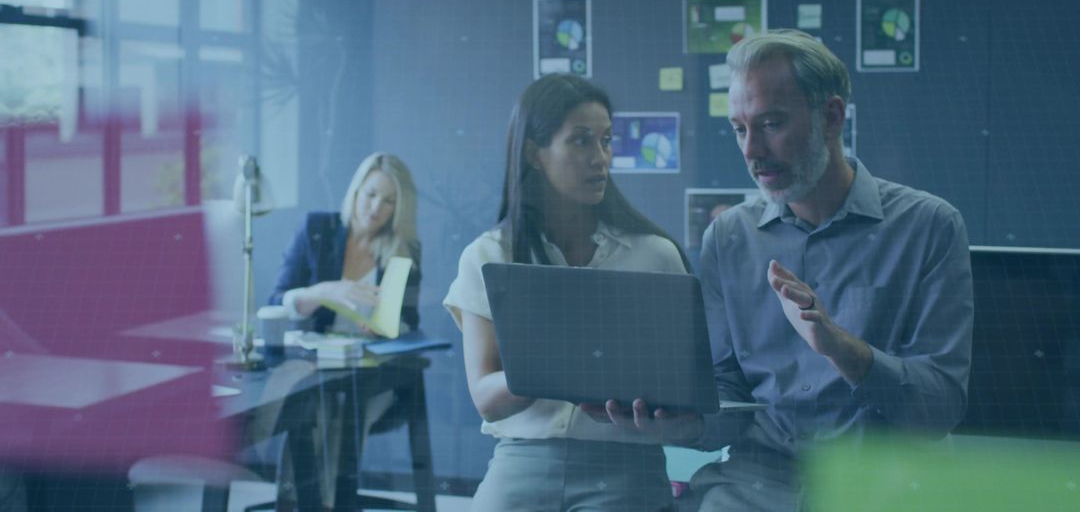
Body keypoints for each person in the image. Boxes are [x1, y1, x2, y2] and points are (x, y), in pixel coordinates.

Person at [590, 30, 974, 511]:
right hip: (756, 484)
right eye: (739, 129)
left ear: (831, 117)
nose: (752, 150)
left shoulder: (929, 227)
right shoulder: (729, 237)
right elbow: (728, 395)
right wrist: (678, 425)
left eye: (771, 124)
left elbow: (940, 408)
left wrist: (842, 350)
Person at [443, 73, 692, 511]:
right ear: (534, 153)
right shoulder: (488, 256)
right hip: (521, 459)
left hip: (626, 461)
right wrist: (578, 361)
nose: (601, 158)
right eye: (581, 141)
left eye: (606, 140)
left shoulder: (656, 256)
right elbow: (486, 400)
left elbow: (685, 402)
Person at [266, 151, 421, 507]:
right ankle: (297, 504)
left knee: (346, 408)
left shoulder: (402, 250)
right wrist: (322, 291)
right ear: (356, 190)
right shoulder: (317, 229)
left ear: (399, 208)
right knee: (311, 407)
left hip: (371, 374)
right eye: (370, 194)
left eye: (389, 201)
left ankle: (332, 503)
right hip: (316, 366)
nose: (375, 208)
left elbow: (410, 322)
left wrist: (386, 326)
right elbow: (276, 301)